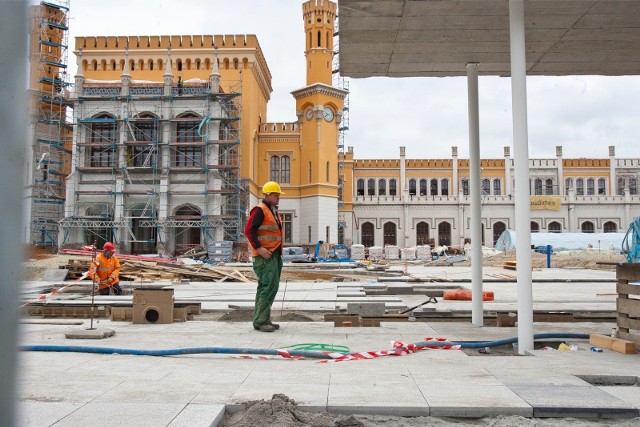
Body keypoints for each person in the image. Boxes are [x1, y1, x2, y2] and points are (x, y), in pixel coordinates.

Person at [245, 181, 285, 332]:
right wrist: (260, 249)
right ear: (268, 195)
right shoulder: (260, 210)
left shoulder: (273, 211)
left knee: (270, 287)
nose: (278, 198)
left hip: (273, 254)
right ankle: (261, 321)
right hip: (265, 255)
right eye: (276, 195)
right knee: (267, 287)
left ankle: (263, 319)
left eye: (278, 195)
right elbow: (249, 231)